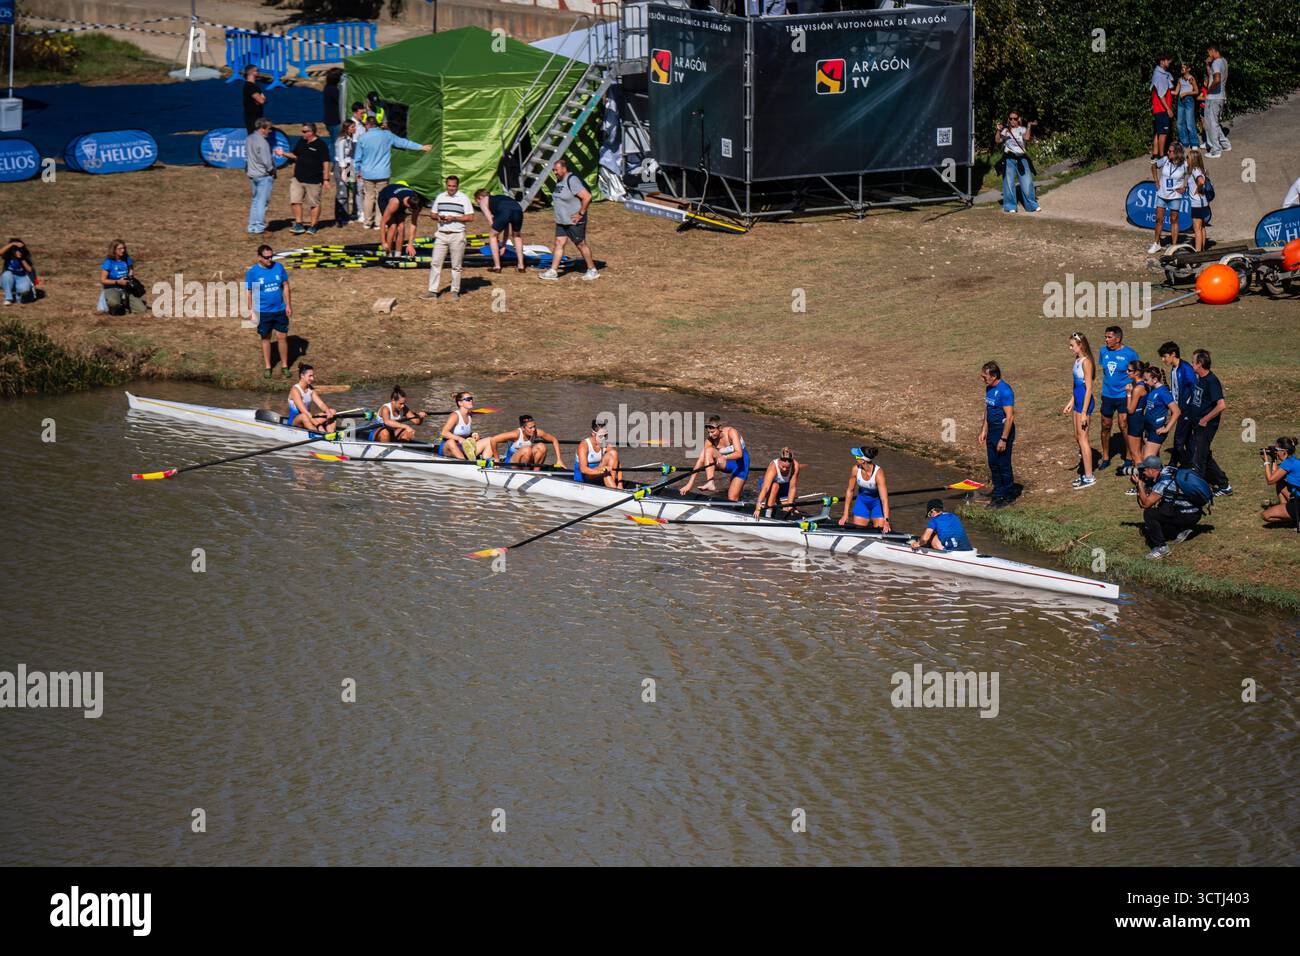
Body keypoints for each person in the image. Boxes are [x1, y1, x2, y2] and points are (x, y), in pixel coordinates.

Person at [352, 116, 432, 229]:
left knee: (368, 197)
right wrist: (420, 147)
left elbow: (357, 158)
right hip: (383, 173)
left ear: (367, 125)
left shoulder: (362, 138)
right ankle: (379, 223)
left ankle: (367, 222)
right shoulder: (387, 135)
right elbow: (403, 143)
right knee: (381, 197)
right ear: (377, 124)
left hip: (367, 173)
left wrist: (357, 172)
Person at [1132, 455, 1206, 559]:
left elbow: (1146, 504)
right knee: (1164, 503)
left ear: (1152, 470)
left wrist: (1139, 485)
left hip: (1188, 515)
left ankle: (1161, 547)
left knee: (1149, 514)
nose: (1142, 472)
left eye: (1144, 469)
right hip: (1196, 511)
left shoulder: (1163, 483)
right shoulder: (1169, 470)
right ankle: (1183, 529)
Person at [539, 157, 599, 280]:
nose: (554, 172)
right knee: (559, 243)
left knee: (580, 244)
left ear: (564, 168)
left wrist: (580, 214)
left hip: (573, 220)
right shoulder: (559, 181)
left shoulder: (572, 180)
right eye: (554, 170)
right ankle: (553, 271)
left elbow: (587, 197)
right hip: (562, 220)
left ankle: (592, 270)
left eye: (556, 170)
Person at [420, 175, 475, 302]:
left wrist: (454, 218)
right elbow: (432, 214)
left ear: (457, 186)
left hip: (457, 235)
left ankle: (454, 291)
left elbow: (471, 217)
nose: (451, 188)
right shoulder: (440, 197)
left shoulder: (463, 198)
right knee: (435, 263)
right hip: (441, 234)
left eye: (453, 186)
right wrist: (438, 217)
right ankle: (432, 291)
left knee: (456, 265)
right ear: (446, 185)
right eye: (449, 186)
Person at [1184, 348, 1231, 496]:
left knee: (1200, 458)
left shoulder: (1211, 381)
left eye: (1193, 362)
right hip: (1197, 424)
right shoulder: (1201, 379)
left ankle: (1200, 490)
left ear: (1200, 364)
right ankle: (1224, 485)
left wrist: (1204, 419)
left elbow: (1221, 405)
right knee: (1204, 455)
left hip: (1206, 426)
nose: (1192, 365)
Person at [243, 244, 292, 378]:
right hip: (263, 311)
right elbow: (249, 292)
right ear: (259, 257)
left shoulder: (279, 267)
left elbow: (286, 285)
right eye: (266, 258)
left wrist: (288, 305)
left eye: (271, 256)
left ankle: (284, 366)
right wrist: (251, 311)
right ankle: (268, 366)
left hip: (279, 310)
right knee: (266, 338)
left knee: (282, 337)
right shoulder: (253, 272)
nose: (270, 260)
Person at [276, 122, 332, 235]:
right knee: (295, 201)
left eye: (304, 131)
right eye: (302, 131)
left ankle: (313, 225)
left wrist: (326, 179)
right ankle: (299, 224)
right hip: (298, 178)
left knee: (314, 203)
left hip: (314, 180)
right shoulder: (302, 141)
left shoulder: (321, 145)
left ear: (311, 132)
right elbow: (295, 155)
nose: (302, 133)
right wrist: (284, 154)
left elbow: (326, 162)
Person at [1097, 326, 1139, 470]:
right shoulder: (1103, 351)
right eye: (1106, 337)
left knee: (1123, 424)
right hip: (1107, 395)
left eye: (1109, 337)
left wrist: (1132, 390)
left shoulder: (1130, 354)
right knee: (1105, 425)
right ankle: (1106, 457)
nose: (1106, 340)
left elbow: (1136, 374)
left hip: (1123, 395)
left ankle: (1128, 456)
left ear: (1118, 339)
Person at [678, 415, 749, 501]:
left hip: (741, 464)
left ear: (720, 428)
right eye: (708, 432)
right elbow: (700, 461)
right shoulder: (710, 440)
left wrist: (724, 457)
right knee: (708, 451)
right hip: (726, 463)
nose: (710, 435)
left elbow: (739, 453)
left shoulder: (731, 432)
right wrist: (690, 484)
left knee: (732, 498)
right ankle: (710, 482)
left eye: (713, 432)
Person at [979, 361, 1017, 506]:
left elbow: (1010, 417)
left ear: (993, 376)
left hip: (1002, 431)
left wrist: (1004, 439)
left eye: (985, 376)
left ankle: (1009, 494)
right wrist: (984, 430)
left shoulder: (1005, 391)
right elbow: (988, 409)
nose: (983, 379)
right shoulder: (989, 388)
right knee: (993, 463)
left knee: (1003, 464)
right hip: (992, 431)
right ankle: (998, 493)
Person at [1063, 332, 1097, 489]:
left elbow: (1089, 387)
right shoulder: (1076, 360)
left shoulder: (1086, 362)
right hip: (1077, 401)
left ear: (1080, 345)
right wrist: (1071, 402)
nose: (1070, 348)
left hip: (1085, 402)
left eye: (1072, 345)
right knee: (1077, 437)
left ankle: (1089, 476)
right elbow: (1076, 385)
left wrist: (1084, 412)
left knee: (1083, 439)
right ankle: (1085, 472)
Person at [1158, 341, 1198, 466]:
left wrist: (1188, 406)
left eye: (1165, 356)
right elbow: (1177, 389)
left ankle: (1173, 465)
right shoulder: (1174, 369)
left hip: (1186, 410)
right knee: (1188, 440)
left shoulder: (1185, 368)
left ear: (1173, 354)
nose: (1163, 359)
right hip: (1179, 409)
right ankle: (1195, 464)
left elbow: (1195, 388)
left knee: (1179, 440)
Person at [838, 447, 892, 532]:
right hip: (862, 502)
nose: (855, 458)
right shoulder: (855, 469)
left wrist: (886, 520)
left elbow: (884, 499)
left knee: (880, 532)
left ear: (862, 460)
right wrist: (845, 514)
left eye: (856, 456)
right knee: (858, 532)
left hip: (877, 503)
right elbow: (850, 490)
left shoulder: (878, 474)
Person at [482, 415, 565, 470]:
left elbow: (554, 440)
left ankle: (536, 472)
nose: (533, 429)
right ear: (523, 428)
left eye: (534, 426)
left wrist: (559, 460)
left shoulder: (536, 432)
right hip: (511, 462)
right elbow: (493, 440)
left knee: (542, 446)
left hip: (526, 460)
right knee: (527, 449)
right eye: (530, 428)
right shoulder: (515, 434)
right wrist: (496, 459)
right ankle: (525, 474)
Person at [994, 110, 1038, 213]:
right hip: (1009, 158)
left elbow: (1027, 138)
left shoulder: (1022, 129)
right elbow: (998, 141)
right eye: (1011, 118)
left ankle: (1031, 205)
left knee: (1027, 182)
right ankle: (1010, 206)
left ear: (1018, 119)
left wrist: (1029, 126)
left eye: (1015, 118)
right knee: (1009, 183)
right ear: (1008, 119)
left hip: (1021, 158)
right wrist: (998, 130)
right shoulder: (1006, 131)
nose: (1013, 121)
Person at [473, 189, 526, 273]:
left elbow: (491, 223)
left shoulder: (483, 201)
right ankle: (521, 266)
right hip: (518, 209)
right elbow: (506, 227)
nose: (479, 204)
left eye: (477, 202)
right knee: (517, 236)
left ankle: (497, 266)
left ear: (479, 198)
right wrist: (504, 245)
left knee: (492, 235)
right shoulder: (499, 198)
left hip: (505, 211)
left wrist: (496, 240)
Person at [1148, 141, 1188, 254]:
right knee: (1159, 219)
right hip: (1162, 194)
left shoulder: (1185, 164)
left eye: (1170, 151)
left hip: (1175, 196)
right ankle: (1156, 243)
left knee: (1174, 220)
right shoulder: (1165, 160)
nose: (1167, 152)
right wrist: (1156, 180)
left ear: (1176, 153)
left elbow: (1194, 175)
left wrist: (1186, 187)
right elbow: (1153, 166)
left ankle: (1174, 246)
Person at [1138, 365, 1179, 466]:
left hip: (1157, 431)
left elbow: (1177, 411)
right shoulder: (1153, 389)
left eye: (1146, 379)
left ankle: (1146, 481)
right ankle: (1158, 478)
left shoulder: (1163, 392)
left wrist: (1166, 428)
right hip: (1149, 429)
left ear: (1155, 379)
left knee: (1147, 462)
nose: (1145, 382)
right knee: (1153, 461)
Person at [1259, 437, 1300, 528]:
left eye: (1276, 450)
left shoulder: (1288, 464)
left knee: (1265, 515)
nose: (1275, 452)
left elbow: (1270, 480)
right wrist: (1273, 459)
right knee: (1280, 483)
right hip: (1297, 496)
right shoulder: (1292, 460)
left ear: (1284, 451)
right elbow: (1275, 476)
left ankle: (1296, 519)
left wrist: (1266, 462)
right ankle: (1290, 514)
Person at [246, 118, 277, 236]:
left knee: (255, 201)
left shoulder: (249, 138)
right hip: (263, 175)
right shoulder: (263, 143)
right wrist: (272, 171)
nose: (270, 132)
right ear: (263, 128)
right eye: (269, 129)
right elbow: (267, 161)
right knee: (262, 203)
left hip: (253, 174)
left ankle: (252, 226)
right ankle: (259, 227)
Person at [378, 182, 425, 257]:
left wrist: (410, 244)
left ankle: (398, 254)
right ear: (408, 206)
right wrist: (383, 242)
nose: (414, 213)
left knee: (401, 227)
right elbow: (383, 223)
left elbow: (413, 224)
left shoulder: (416, 202)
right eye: (412, 211)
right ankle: (388, 254)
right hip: (385, 197)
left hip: (401, 196)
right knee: (393, 226)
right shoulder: (394, 202)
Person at [286, 364, 338, 432]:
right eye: (310, 376)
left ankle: (331, 433)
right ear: (302, 376)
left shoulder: (310, 389)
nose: (312, 378)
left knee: (332, 411)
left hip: (308, 418)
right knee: (304, 416)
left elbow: (321, 404)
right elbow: (304, 411)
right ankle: (318, 434)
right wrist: (318, 425)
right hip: (295, 422)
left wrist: (328, 412)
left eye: (312, 376)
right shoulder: (295, 390)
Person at [99, 239, 146, 315]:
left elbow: (131, 269)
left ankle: (125, 305)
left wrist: (130, 277)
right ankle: (109, 304)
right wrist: (117, 282)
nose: (123, 250)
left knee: (141, 310)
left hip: (126, 287)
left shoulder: (127, 258)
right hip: (112, 287)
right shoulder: (109, 262)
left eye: (124, 248)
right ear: (114, 250)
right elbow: (103, 280)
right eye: (120, 249)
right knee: (114, 303)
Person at [572, 419, 623, 488]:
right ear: (593, 434)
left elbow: (618, 464)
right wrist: (602, 471)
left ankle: (614, 487)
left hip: (598, 474)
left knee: (613, 453)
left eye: (606, 435)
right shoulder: (584, 446)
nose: (604, 439)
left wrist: (620, 483)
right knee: (606, 473)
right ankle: (614, 490)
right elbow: (583, 469)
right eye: (601, 436)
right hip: (584, 479)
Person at [1120, 361, 1149, 477]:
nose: (1127, 372)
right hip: (1139, 418)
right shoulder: (1143, 384)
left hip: (1135, 419)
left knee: (1135, 454)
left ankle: (1141, 481)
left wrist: (1128, 394)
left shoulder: (1137, 389)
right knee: (1139, 452)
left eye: (1130, 370)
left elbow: (1130, 409)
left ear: (1137, 372)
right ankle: (1144, 478)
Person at [753, 448, 800, 518]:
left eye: (787, 468)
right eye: (783, 467)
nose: (784, 469)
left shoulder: (795, 466)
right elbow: (766, 488)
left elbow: (792, 488)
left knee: (790, 507)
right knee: (775, 486)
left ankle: (780, 507)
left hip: (784, 486)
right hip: (768, 487)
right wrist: (758, 504)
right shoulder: (773, 466)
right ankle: (768, 514)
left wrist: (790, 506)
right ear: (779, 460)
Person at [1202, 45, 1230, 158]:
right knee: (1215, 123)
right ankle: (1225, 144)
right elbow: (1212, 75)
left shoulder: (1216, 62)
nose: (1208, 54)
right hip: (1220, 96)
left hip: (1213, 98)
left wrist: (1209, 89)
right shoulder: (1223, 61)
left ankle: (1215, 150)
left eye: (1208, 51)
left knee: (1211, 124)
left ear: (1213, 50)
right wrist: (1208, 64)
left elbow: (1217, 79)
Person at [437, 391, 477, 459]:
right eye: (468, 399)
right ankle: (466, 463)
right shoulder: (455, 415)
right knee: (451, 442)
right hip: (447, 447)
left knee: (488, 440)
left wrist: (473, 434)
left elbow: (462, 431)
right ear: (460, 403)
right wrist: (458, 438)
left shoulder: (469, 415)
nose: (471, 400)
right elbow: (444, 433)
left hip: (462, 446)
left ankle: (490, 463)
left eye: (471, 398)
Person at [1149, 54, 1175, 159]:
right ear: (1162, 62)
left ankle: (1155, 155)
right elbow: (1161, 95)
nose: (1169, 63)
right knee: (1163, 133)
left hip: (1158, 108)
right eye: (1167, 61)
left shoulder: (1161, 73)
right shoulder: (1159, 75)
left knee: (1158, 132)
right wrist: (1168, 109)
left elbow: (1170, 84)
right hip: (1161, 108)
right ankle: (1161, 156)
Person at [1185, 149, 1211, 252]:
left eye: (1188, 157)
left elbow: (1201, 181)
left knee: (1197, 229)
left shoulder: (1195, 170)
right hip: (1203, 202)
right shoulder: (1200, 169)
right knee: (1202, 227)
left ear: (1193, 159)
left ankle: (1198, 252)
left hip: (1197, 203)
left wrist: (1197, 190)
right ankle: (1203, 249)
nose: (1186, 159)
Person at [334, 120, 357, 226]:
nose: (354, 129)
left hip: (348, 166)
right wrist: (344, 171)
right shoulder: (341, 140)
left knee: (348, 191)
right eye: (352, 127)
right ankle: (341, 217)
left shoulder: (350, 139)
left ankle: (346, 215)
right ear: (347, 128)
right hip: (341, 167)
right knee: (342, 192)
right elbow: (341, 156)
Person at [1174, 62, 1201, 150]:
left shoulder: (1191, 79)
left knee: (1190, 122)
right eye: (1181, 67)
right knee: (1180, 123)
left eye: (1184, 67)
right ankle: (1185, 142)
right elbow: (1176, 92)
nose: (1182, 69)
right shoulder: (1180, 79)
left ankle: (1194, 143)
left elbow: (1196, 91)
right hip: (1180, 101)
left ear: (1188, 69)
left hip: (1188, 100)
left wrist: (1186, 93)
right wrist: (1166, 91)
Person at [1, 239, 35, 306]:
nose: (19, 252)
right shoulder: (8, 255)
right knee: (7, 274)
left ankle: (18, 296)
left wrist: (22, 259)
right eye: (17, 250)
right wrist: (12, 244)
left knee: (24, 289)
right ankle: (8, 298)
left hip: (21, 278)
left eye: (20, 250)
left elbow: (30, 270)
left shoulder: (25, 256)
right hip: (8, 278)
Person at [241, 64, 266, 133]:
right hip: (252, 118)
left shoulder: (255, 86)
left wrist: (261, 99)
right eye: (257, 71)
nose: (258, 72)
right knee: (254, 137)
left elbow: (263, 99)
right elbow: (261, 100)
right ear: (251, 72)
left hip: (258, 116)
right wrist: (261, 99)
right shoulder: (249, 86)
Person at [322, 68, 342, 143]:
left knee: (334, 141)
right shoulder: (333, 90)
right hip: (334, 121)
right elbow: (340, 101)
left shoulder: (328, 87)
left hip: (329, 120)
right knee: (337, 143)